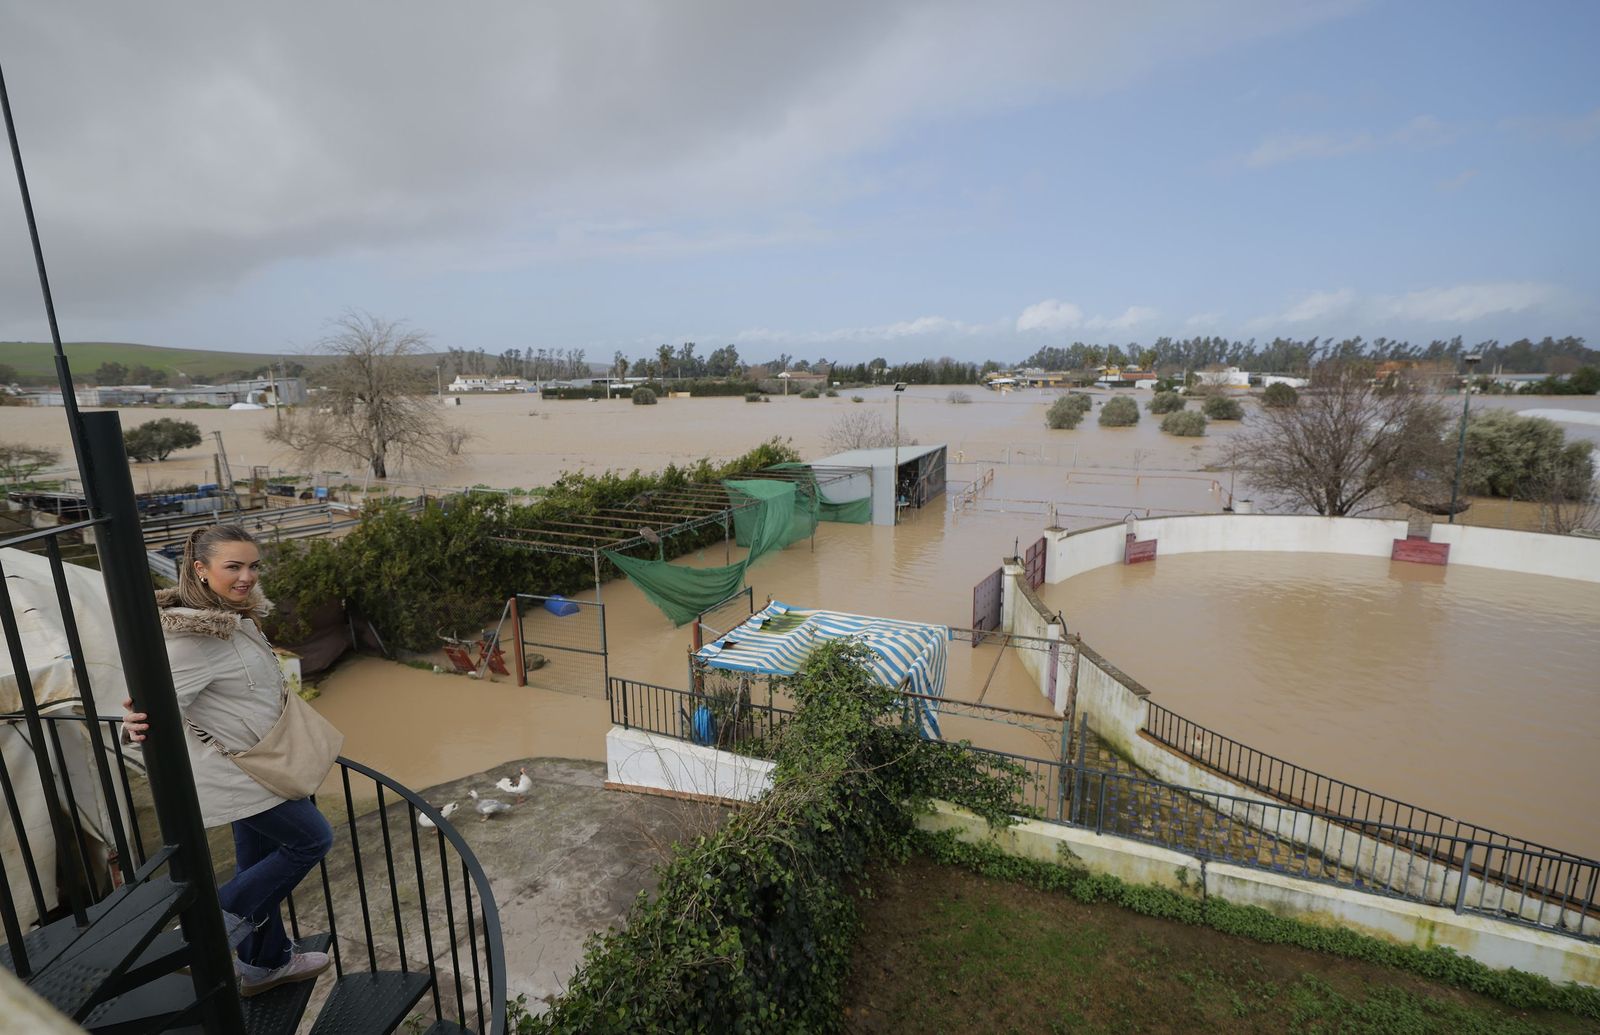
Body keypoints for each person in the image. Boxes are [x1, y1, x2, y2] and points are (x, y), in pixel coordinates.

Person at [121, 524, 334, 997]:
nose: (247, 577)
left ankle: (264, 965)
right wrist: (135, 724)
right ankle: (205, 931)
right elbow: (155, 705)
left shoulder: (235, 618)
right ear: (200, 569)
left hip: (266, 762)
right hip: (244, 774)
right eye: (233, 567)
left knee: (256, 869)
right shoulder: (192, 639)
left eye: (253, 566)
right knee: (313, 840)